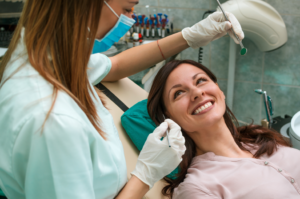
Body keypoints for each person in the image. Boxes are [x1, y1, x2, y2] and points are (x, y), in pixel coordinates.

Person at [0, 0, 244, 198]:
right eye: (127, 9)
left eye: (201, 80)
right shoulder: (53, 122)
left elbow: (114, 65)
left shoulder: (53, 63)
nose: (131, 18)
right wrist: (145, 175)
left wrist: (189, 36)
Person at [147, 60, 300, 199]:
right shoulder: (197, 188)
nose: (197, 93)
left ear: (220, 90)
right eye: (178, 93)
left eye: (200, 80)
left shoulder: (258, 135)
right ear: (170, 118)